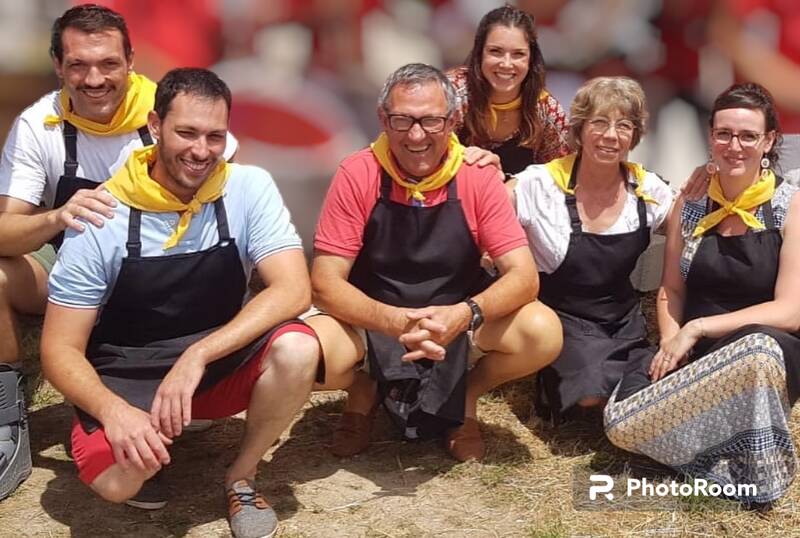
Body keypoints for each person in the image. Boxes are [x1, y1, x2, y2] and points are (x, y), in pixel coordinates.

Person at [39, 68, 319, 538]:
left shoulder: (247, 187)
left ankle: (242, 477)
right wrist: (114, 412)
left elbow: (294, 290)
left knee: (300, 347)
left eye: (215, 136)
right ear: (154, 126)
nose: (200, 150)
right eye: (186, 132)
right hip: (128, 374)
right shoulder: (102, 212)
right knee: (117, 483)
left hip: (214, 365)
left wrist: (199, 354)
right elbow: (59, 349)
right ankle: (146, 439)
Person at [308, 63, 563, 462]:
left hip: (456, 318)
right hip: (374, 316)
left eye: (430, 121)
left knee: (542, 332)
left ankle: (466, 397)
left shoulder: (477, 176)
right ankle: (362, 388)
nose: (415, 135)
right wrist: (396, 323)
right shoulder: (357, 172)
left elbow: (524, 277)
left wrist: (464, 315)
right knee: (304, 354)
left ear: (452, 121)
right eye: (402, 120)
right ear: (382, 119)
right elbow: (325, 282)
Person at [605, 83, 800, 506]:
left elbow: (790, 311)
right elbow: (671, 287)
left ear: (768, 142)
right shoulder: (691, 205)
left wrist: (697, 327)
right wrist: (673, 342)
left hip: (766, 353)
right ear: (710, 135)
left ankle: (740, 463)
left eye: (748, 136)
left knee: (756, 352)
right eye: (724, 134)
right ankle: (721, 457)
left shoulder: (790, 206)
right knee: (620, 423)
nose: (734, 146)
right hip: (699, 356)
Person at [508, 77, 673, 424]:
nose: (611, 135)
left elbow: (691, 232)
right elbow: (488, 215)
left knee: (650, 388)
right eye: (599, 122)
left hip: (623, 323)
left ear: (634, 136)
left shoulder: (647, 188)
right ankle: (556, 387)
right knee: (592, 397)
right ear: (580, 130)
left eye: (623, 125)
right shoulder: (539, 184)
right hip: (564, 322)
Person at [446, 5, 570, 177]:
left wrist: (514, 183)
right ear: (479, 53)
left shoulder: (546, 110)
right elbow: (428, 155)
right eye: (495, 51)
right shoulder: (451, 94)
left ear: (531, 59)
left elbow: (562, 173)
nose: (506, 64)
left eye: (518, 54)